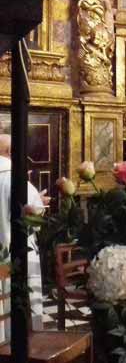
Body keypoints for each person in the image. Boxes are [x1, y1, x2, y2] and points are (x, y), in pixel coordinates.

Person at [0, 134, 49, 341]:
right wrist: (40, 204)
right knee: (20, 307)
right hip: (17, 254)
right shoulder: (17, 179)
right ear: (10, 152)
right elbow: (34, 220)